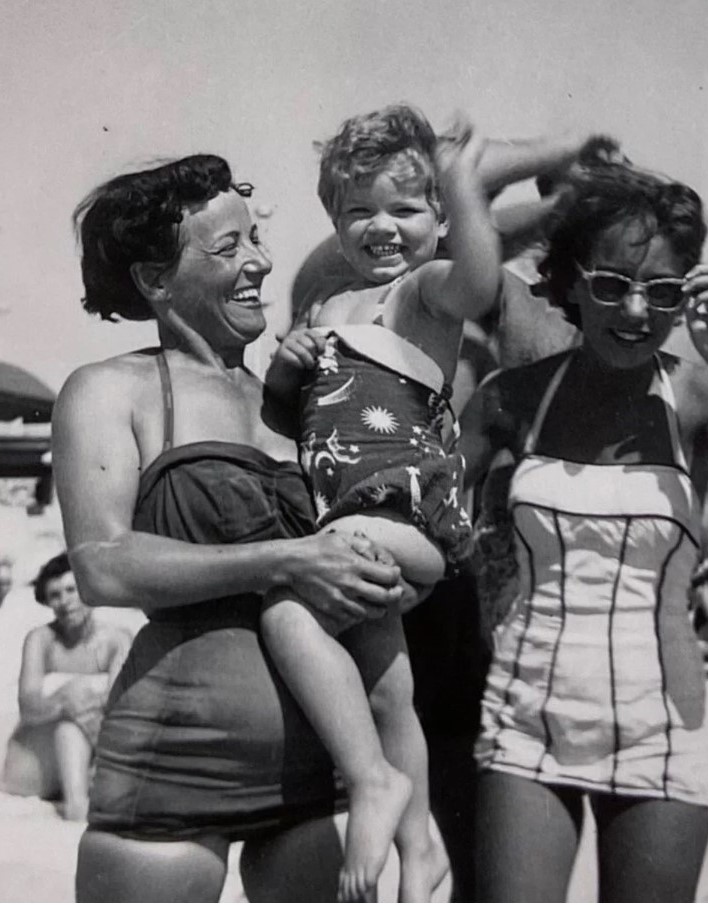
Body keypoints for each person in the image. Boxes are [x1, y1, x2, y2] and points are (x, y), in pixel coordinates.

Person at [56, 154, 409, 902]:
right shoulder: (111, 389)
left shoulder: (301, 397)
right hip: (177, 761)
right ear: (155, 279)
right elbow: (103, 565)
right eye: (228, 249)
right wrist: (284, 559)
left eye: (257, 238)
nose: (260, 262)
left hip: (314, 774)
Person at [460, 158, 708, 901]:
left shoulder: (697, 392)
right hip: (526, 714)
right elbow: (424, 516)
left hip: (664, 721)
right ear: (570, 283)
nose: (637, 310)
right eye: (612, 284)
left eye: (664, 291)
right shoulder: (509, 398)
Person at [263, 104, 504, 902]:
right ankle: (421, 843)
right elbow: (286, 417)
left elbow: (478, 280)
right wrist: (288, 365)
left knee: (289, 618)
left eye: (405, 208)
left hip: (401, 511)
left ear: (438, 216)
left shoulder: (424, 292)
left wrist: (466, 184)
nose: (381, 228)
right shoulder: (327, 309)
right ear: (333, 220)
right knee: (386, 689)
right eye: (358, 211)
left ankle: (370, 782)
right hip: (350, 520)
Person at [2, 553, 130, 820]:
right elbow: (28, 708)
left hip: (96, 748)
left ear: (88, 590)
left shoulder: (116, 640)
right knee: (69, 724)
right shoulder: (41, 640)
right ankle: (77, 807)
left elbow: (121, 703)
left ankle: (83, 799)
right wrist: (66, 702)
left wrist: (79, 702)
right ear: (47, 601)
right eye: (55, 595)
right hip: (35, 761)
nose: (65, 601)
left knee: (82, 714)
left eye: (72, 590)